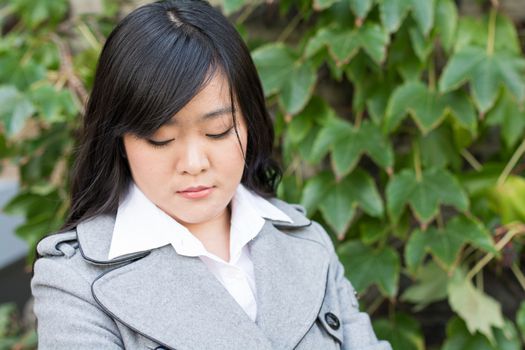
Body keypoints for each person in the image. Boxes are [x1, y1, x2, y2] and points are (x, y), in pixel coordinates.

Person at [30, 1, 392, 349]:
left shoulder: (306, 243)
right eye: (161, 138)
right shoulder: (75, 281)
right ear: (118, 139)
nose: (193, 163)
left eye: (218, 131)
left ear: (250, 123)